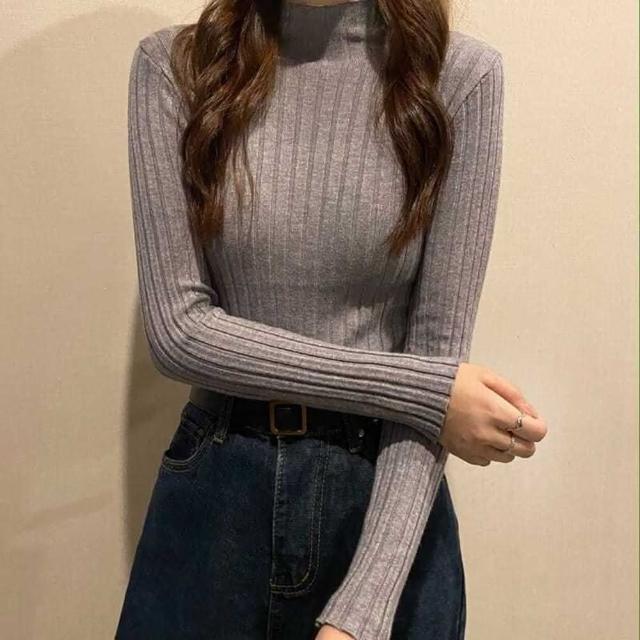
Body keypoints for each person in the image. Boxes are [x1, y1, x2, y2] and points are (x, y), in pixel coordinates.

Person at [115, 0, 548, 638]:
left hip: (387, 505)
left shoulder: (458, 77)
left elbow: (436, 343)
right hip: (218, 499)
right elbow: (178, 333)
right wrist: (429, 391)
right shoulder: (176, 69)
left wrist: (361, 614)